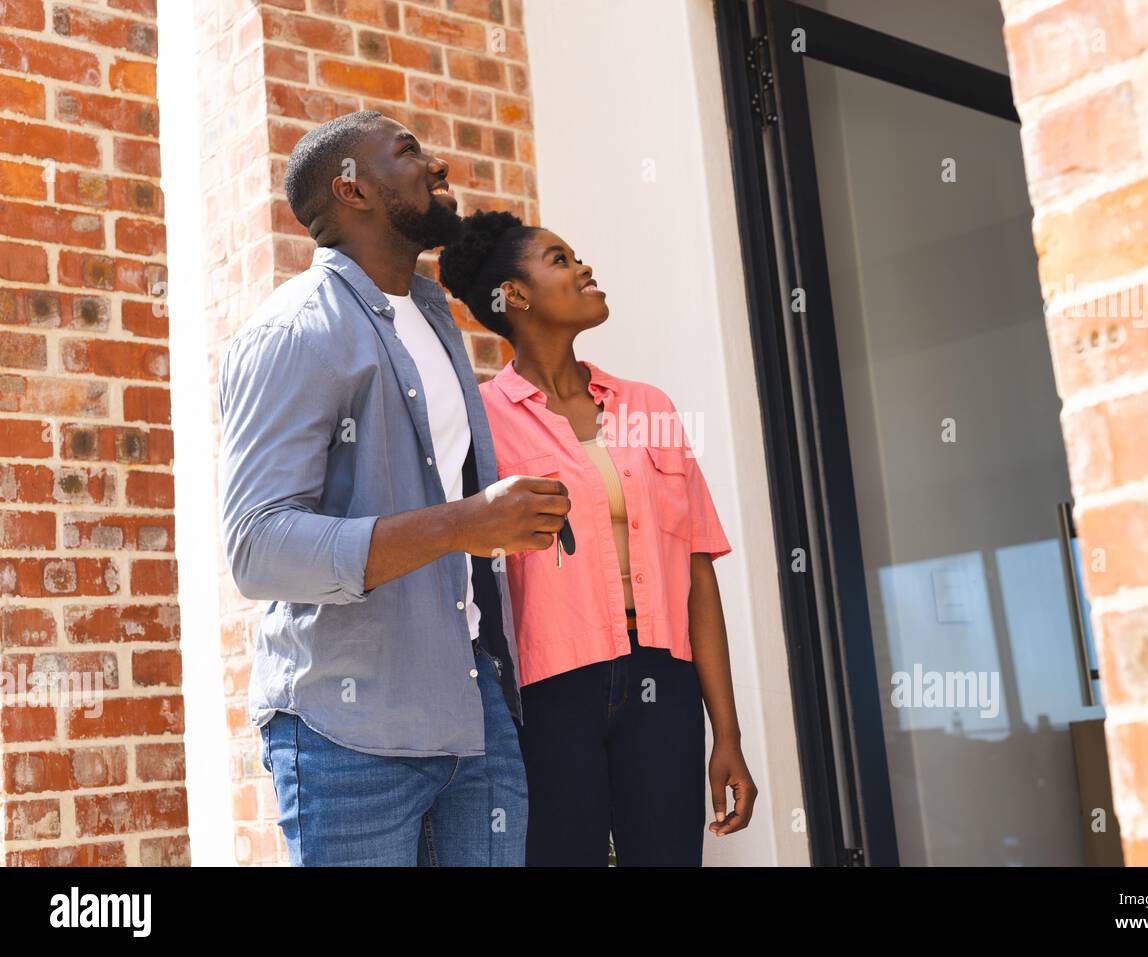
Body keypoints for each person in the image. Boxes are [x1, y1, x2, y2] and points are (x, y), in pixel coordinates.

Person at [218, 112, 571, 866]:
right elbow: (257, 547)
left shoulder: (434, 314)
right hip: (350, 736)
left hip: (475, 717)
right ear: (352, 189)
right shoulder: (295, 331)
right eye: (408, 152)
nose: (438, 165)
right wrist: (462, 524)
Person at [438, 211, 758, 866]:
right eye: (560, 259)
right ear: (514, 296)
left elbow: (697, 571)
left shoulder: (651, 407)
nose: (584, 267)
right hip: (548, 693)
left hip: (662, 683)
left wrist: (726, 732)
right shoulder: (480, 423)